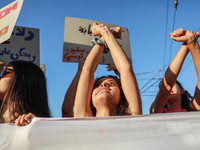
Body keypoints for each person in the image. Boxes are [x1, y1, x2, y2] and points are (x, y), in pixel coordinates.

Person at [74, 23, 142, 117]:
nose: (103, 84)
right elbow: (87, 69)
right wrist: (106, 34)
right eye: (97, 85)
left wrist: (105, 33)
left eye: (112, 84)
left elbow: (125, 68)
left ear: (121, 96)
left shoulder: (132, 116)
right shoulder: (83, 120)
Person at [150, 28, 200, 113]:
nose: (167, 89)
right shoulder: (157, 111)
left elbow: (169, 83)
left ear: (182, 90)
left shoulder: (193, 108)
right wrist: (188, 42)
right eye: (162, 88)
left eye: (174, 84)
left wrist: (191, 42)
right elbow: (167, 84)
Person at [0, 60, 51, 125]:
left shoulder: (33, 124)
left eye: (6, 73)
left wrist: (35, 129)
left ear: (22, 81)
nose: (1, 78)